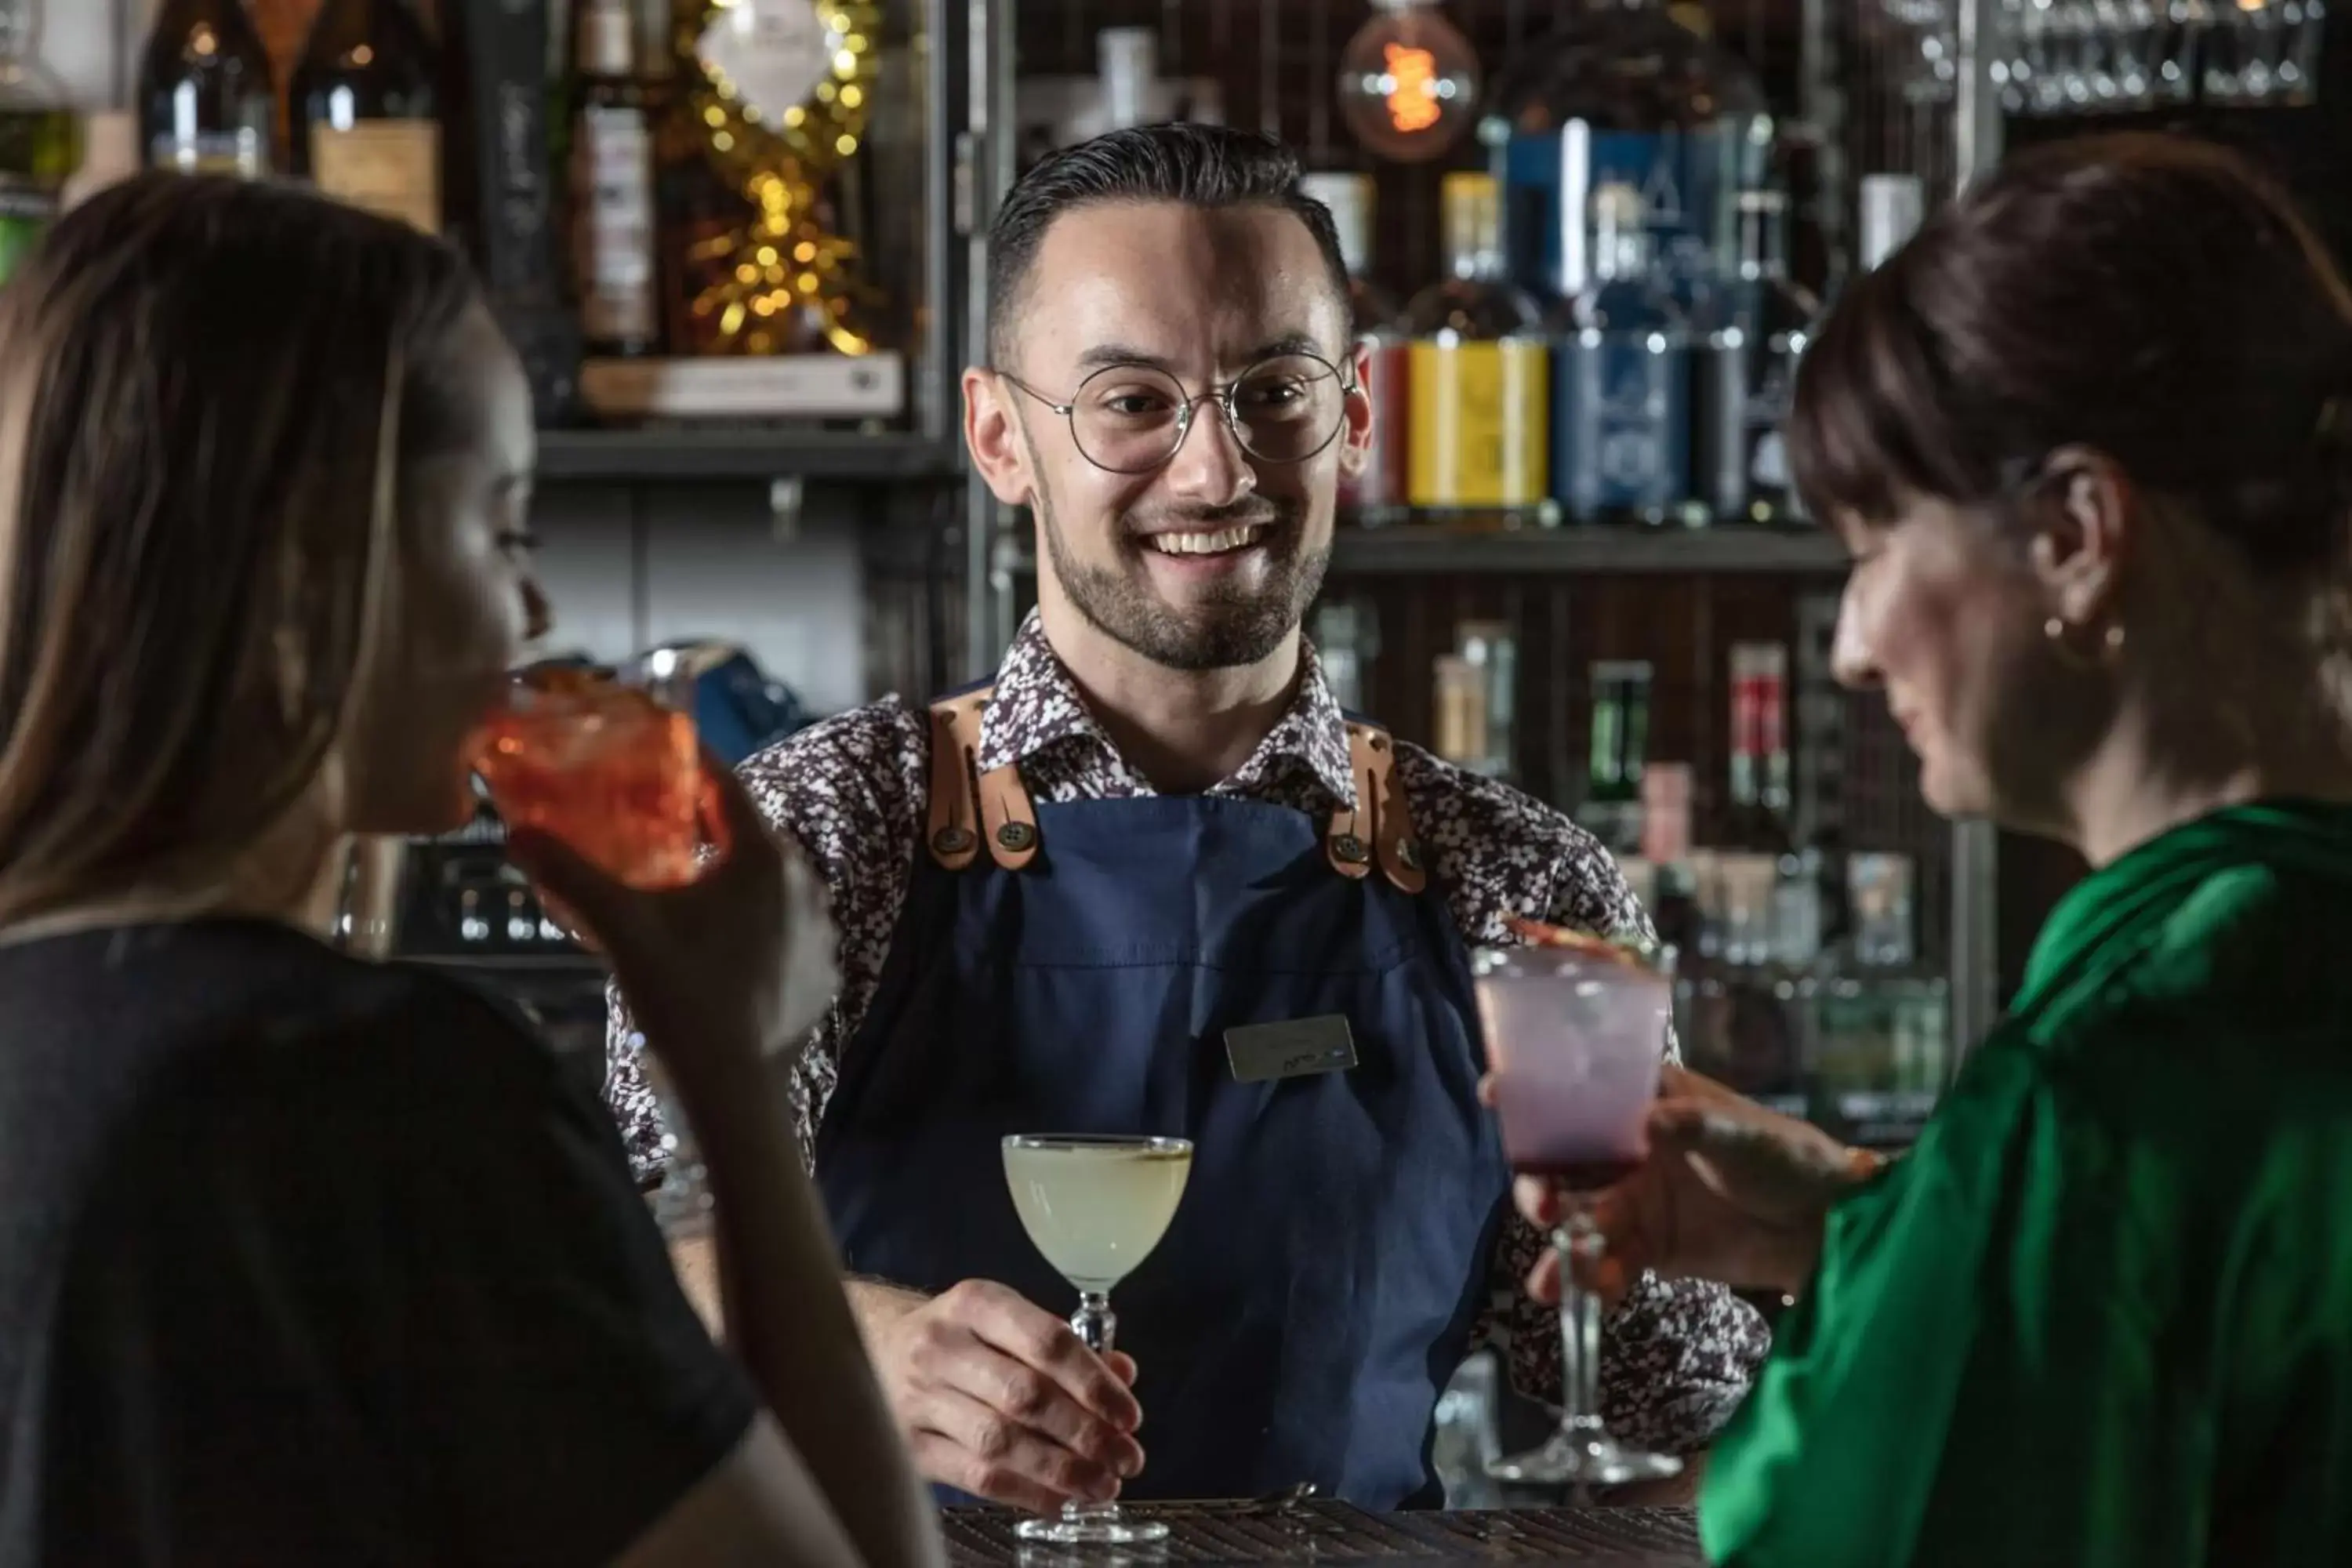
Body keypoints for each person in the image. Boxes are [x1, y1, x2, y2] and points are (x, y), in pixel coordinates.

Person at [605, 122, 1767, 1515]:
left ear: (1354, 420)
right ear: (1000, 437)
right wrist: (879, 1346)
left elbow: (1674, 1413)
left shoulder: (1506, 878)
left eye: (1272, 390)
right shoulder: (820, 826)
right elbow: (639, 1236)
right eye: (1132, 401)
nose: (1216, 472)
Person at [0, 173, 941, 1568]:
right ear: (319, 568)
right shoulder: (372, 1091)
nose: (534, 614)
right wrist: (737, 1082)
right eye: (502, 532)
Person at [1514, 132, 2352, 1566]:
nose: (1849, 647)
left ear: (2076, 536)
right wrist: (1862, 1223)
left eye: (1876, 542)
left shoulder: (2095, 1089)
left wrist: (1960, 1226)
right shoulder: (2268, 968)